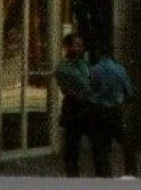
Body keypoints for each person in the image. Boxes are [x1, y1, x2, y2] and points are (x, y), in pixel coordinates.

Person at [54, 32, 98, 178]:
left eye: (81, 46)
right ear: (68, 47)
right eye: (76, 45)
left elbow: (89, 81)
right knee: (72, 147)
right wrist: (84, 95)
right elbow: (69, 89)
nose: (80, 49)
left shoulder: (83, 63)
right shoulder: (63, 68)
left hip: (88, 106)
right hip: (74, 108)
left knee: (97, 143)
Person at [89, 41, 135, 177]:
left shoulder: (93, 70)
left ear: (98, 53)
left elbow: (88, 91)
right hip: (115, 110)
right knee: (126, 143)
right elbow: (129, 91)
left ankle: (104, 174)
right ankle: (130, 171)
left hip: (99, 110)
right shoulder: (120, 69)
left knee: (100, 146)